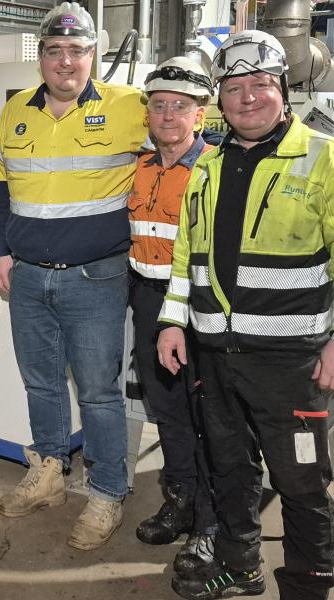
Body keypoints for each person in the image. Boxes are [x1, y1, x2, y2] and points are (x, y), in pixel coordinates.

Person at [156, 31, 334, 600]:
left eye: (261, 85)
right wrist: (173, 322)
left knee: (301, 481)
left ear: (282, 90)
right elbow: (188, 255)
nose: (248, 98)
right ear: (220, 98)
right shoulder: (208, 166)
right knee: (230, 471)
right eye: (235, 87)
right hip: (215, 355)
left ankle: (306, 587)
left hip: (291, 361)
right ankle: (240, 567)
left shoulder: (328, 159)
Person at [0, 1, 147, 551]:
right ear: (41, 59)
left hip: (97, 278)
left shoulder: (131, 106)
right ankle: (50, 472)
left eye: (76, 51)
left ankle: (106, 491)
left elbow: (179, 153)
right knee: (42, 382)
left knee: (100, 393)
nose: (65, 62)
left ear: (93, 55)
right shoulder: (15, 112)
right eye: (54, 51)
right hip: (28, 277)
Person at [128, 57, 217, 578]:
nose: (167, 115)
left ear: (199, 116)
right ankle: (179, 499)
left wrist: (181, 315)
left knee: (208, 415)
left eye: (179, 107)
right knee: (166, 409)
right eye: (159, 105)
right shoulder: (138, 166)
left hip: (198, 307)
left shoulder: (214, 170)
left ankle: (210, 521)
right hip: (147, 301)